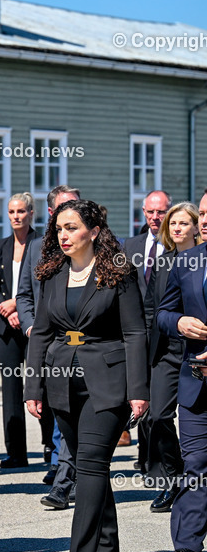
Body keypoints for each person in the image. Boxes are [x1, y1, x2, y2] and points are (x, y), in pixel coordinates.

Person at [25, 199, 149, 552]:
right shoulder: (51, 272)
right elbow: (42, 333)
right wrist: (33, 387)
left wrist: (139, 389)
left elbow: (134, 332)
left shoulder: (118, 271)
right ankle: (106, 545)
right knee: (86, 466)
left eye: (72, 228)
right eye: (59, 228)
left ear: (93, 232)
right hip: (62, 382)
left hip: (108, 382)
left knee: (93, 466)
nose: (64, 235)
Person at [16, 184, 82, 506]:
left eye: (76, 205)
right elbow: (25, 296)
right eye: (64, 208)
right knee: (57, 411)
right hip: (46, 342)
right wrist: (31, 327)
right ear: (51, 212)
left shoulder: (95, 247)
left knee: (73, 410)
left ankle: (64, 480)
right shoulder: (36, 248)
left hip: (80, 345)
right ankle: (67, 470)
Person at [155, 190, 207, 552]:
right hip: (196, 384)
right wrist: (179, 323)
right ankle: (188, 551)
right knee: (196, 466)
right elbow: (162, 313)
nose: (203, 220)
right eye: (201, 213)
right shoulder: (187, 261)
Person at [143, 202, 199, 514]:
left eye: (183, 223)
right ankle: (172, 478)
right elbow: (151, 308)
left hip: (195, 351)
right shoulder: (162, 262)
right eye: (172, 223)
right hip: (165, 350)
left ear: (195, 228)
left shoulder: (202, 260)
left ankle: (195, 479)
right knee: (158, 416)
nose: (176, 227)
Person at [120, 189, 172, 449]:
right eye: (150, 212)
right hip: (134, 331)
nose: (155, 217)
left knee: (158, 396)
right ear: (143, 212)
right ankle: (144, 454)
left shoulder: (177, 246)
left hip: (165, 332)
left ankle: (156, 454)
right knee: (137, 391)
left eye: (160, 212)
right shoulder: (130, 246)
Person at [0, 192, 41, 468]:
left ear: (31, 213)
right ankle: (16, 452)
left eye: (21, 211)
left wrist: (19, 307)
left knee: (41, 383)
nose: (16, 216)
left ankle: (50, 447)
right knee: (10, 389)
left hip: (33, 322)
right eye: (11, 212)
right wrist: (6, 306)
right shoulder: (0, 246)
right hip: (6, 325)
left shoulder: (41, 243)